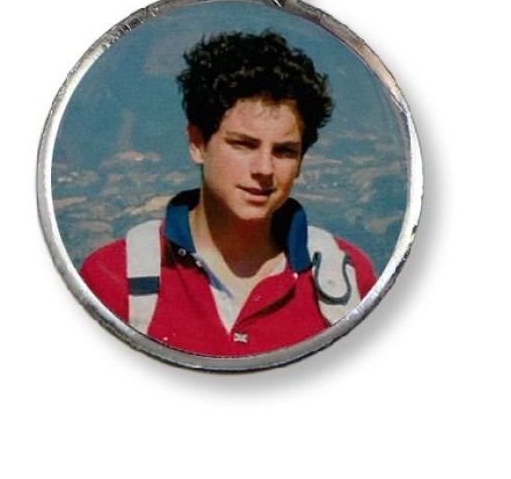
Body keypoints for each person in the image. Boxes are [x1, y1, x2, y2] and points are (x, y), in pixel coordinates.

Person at [80, 30, 377, 356]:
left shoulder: (346, 281)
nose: (264, 168)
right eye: (243, 145)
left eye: (284, 151)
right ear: (198, 143)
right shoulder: (115, 278)